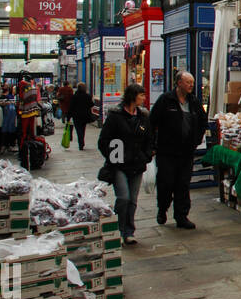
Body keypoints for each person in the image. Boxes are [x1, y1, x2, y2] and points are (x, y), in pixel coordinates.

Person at [149, 70, 208, 229]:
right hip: (166, 151)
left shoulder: (194, 102)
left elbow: (203, 121)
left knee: (183, 184)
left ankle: (181, 216)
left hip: (186, 152)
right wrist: (153, 145)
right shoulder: (165, 100)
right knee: (166, 183)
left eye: (192, 83)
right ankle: (162, 209)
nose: (191, 85)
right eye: (188, 82)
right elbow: (152, 122)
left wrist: (196, 140)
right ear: (179, 83)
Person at [99, 84, 153, 246]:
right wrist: (113, 156)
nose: (144, 98)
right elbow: (103, 140)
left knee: (133, 201)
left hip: (137, 165)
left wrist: (146, 155)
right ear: (133, 96)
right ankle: (118, 229)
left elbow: (150, 139)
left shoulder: (143, 116)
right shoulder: (116, 116)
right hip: (119, 165)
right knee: (123, 197)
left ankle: (129, 231)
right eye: (141, 95)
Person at [69, 82, 95, 150]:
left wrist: (69, 116)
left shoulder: (74, 96)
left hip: (76, 116)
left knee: (78, 129)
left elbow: (71, 106)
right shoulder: (87, 96)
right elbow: (91, 104)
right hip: (85, 115)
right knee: (83, 129)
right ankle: (81, 142)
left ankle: (81, 143)